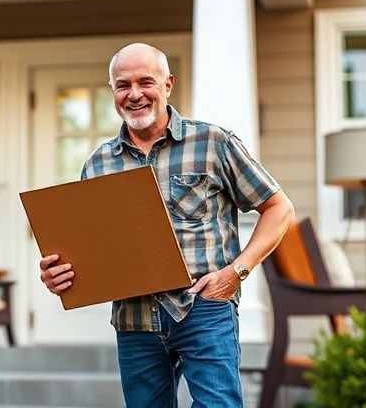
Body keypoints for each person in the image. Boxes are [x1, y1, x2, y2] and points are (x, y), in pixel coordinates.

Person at [39, 43, 294, 407]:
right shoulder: (97, 164)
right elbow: (92, 251)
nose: (135, 94)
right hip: (134, 319)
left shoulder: (212, 143)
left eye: (146, 82)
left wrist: (237, 271)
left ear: (168, 85)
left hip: (203, 306)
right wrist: (60, 275)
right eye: (123, 85)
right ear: (113, 91)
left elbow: (279, 208)